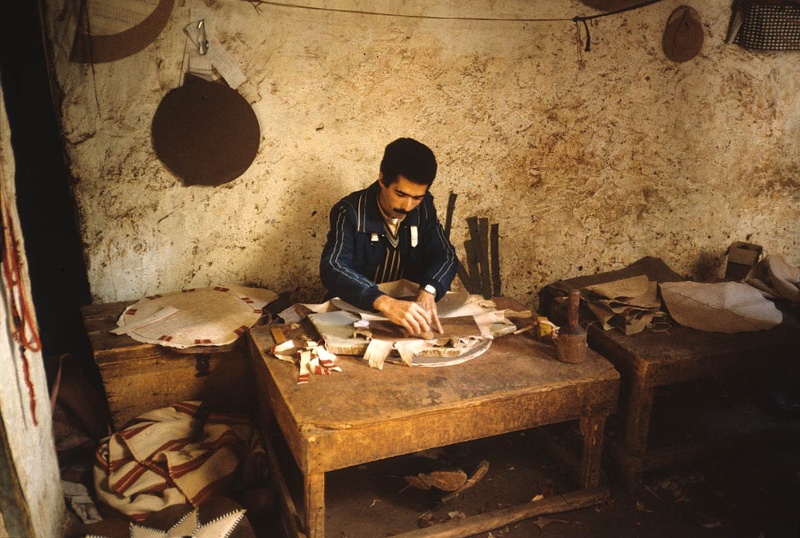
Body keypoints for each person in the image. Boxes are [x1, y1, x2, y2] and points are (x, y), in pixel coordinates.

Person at [320, 137, 457, 336]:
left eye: (417, 197)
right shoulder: (349, 211)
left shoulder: (424, 208)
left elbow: (446, 256)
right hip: (355, 312)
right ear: (382, 180)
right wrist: (383, 302)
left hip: (407, 315)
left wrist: (429, 289)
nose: (408, 206)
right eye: (400, 194)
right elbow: (333, 266)